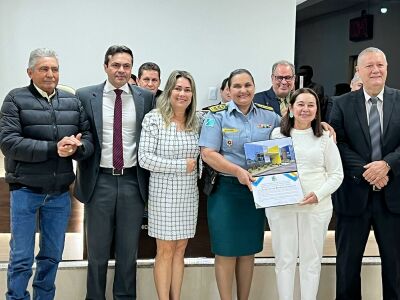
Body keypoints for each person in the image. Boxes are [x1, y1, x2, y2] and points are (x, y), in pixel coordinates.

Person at [0, 48, 93, 300]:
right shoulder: (15, 99)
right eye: (44, 69)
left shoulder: (72, 102)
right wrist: (54, 149)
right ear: (30, 72)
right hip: (25, 192)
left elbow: (88, 140)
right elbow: (9, 143)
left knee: (51, 257)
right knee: (21, 258)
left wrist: (78, 147)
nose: (50, 74)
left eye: (54, 69)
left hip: (59, 195)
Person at [73, 45, 154, 300]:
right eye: (116, 65)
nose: (121, 70)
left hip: (132, 181)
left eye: (126, 66)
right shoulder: (85, 96)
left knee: (128, 253)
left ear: (132, 69)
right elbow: (83, 136)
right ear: (106, 66)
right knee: (96, 253)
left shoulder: (145, 97)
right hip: (99, 182)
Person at [199, 69, 281, 300]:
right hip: (226, 190)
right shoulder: (216, 116)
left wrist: (322, 126)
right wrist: (238, 171)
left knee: (248, 251)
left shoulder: (270, 116)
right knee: (225, 251)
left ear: (254, 87)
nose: (242, 90)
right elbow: (208, 154)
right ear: (228, 90)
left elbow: (291, 135)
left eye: (247, 85)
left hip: (256, 192)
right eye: (237, 86)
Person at [330, 47, 400, 300]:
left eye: (380, 65)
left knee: (396, 269)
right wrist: (367, 170)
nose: (375, 70)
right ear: (357, 70)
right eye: (369, 66)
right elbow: (337, 143)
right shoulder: (340, 103)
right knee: (347, 268)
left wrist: (387, 165)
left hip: (393, 198)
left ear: (387, 68)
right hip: (353, 196)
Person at [266, 88, 343, 300]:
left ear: (317, 110)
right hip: (282, 208)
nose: (305, 109)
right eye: (300, 104)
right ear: (290, 108)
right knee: (284, 260)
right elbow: (270, 172)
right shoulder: (277, 135)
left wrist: (318, 194)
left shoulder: (325, 137)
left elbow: (337, 174)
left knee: (311, 260)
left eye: (311, 105)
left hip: (316, 208)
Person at [138, 70, 200, 300]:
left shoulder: (197, 122)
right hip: (163, 195)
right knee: (164, 251)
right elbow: (144, 158)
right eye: (178, 88)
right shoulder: (154, 118)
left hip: (188, 195)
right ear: (169, 91)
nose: (182, 94)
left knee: (180, 250)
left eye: (187, 89)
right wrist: (182, 166)